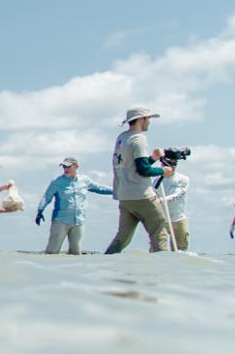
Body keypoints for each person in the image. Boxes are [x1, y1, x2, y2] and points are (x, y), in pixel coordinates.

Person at [104, 107, 174, 254]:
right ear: (141, 119)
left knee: (122, 238)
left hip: (124, 196)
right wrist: (163, 171)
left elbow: (133, 167)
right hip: (141, 195)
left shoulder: (122, 138)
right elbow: (143, 170)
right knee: (160, 230)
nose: (149, 122)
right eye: (148, 119)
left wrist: (153, 159)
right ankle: (164, 270)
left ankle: (106, 264)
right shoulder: (138, 138)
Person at [34, 157, 112, 255]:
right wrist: (40, 211)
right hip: (60, 220)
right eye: (63, 166)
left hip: (79, 221)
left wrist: (117, 190)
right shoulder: (57, 181)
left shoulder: (85, 180)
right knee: (52, 252)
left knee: (76, 253)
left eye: (68, 166)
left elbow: (100, 188)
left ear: (75, 166)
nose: (65, 169)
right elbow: (46, 197)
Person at [161, 170, 191, 251]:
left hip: (178, 219)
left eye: (174, 162)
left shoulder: (183, 179)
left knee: (181, 250)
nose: (172, 165)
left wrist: (162, 200)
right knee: (159, 250)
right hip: (162, 220)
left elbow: (177, 194)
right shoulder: (157, 181)